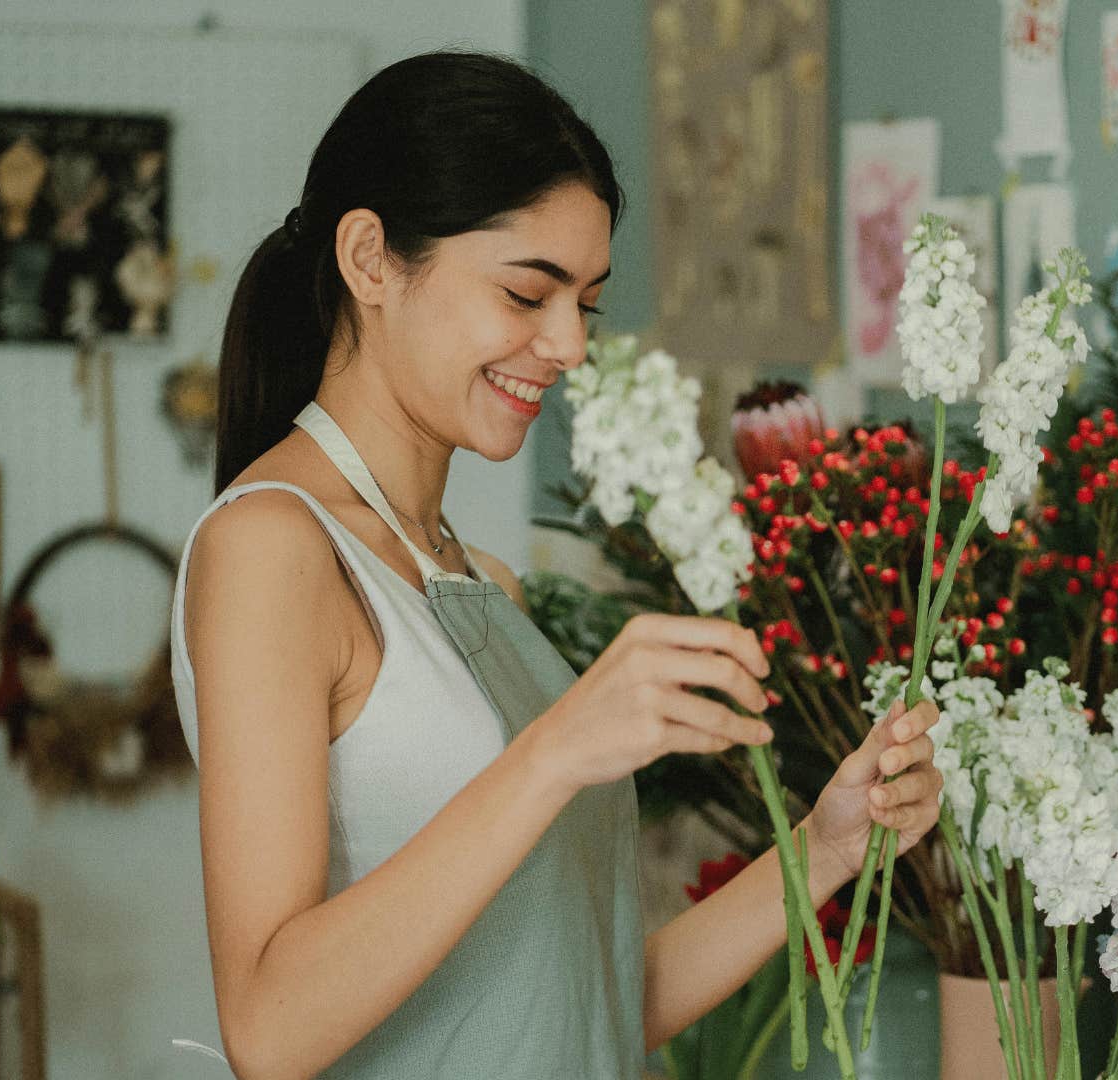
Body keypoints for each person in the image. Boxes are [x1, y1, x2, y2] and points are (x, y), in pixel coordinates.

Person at [169, 51, 942, 1079]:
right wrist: (554, 752)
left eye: (587, 302)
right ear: (370, 261)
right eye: (527, 293)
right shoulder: (270, 547)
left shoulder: (485, 584)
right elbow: (268, 1028)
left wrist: (829, 848)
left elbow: (590, 1003)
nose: (569, 345)